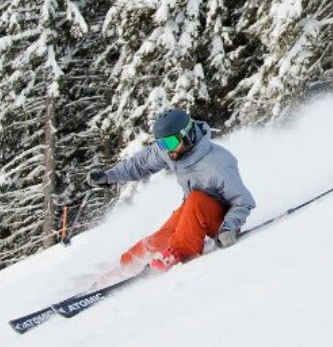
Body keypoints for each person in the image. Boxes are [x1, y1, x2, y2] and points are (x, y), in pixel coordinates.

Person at [88, 107, 256, 272]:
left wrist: (229, 228)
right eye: (161, 144)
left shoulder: (218, 163)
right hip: (192, 209)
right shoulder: (171, 151)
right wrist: (108, 176)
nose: (166, 149)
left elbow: (243, 202)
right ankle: (127, 265)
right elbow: (140, 164)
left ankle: (177, 253)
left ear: (187, 135)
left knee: (196, 200)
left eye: (170, 143)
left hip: (221, 221)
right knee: (158, 239)